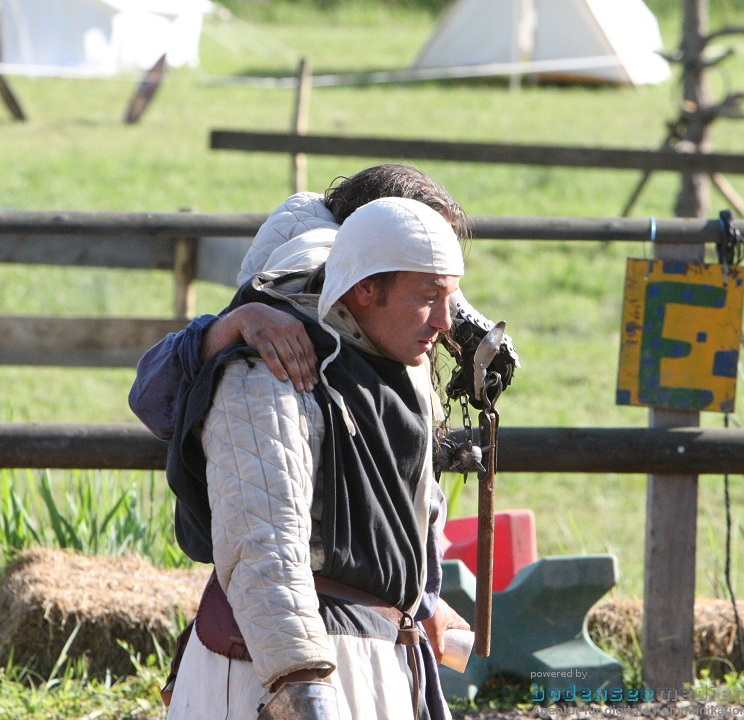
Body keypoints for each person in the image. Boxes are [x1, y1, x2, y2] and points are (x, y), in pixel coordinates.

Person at [165, 197, 472, 720]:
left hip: (374, 661)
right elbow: (263, 542)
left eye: (451, 298)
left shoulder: (395, 366)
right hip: (278, 669)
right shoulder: (269, 373)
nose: (446, 321)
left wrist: (418, 600)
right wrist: (301, 685)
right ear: (364, 289)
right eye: (429, 298)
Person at [128, 164, 515, 443]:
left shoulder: (391, 310)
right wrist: (234, 324)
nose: (444, 317)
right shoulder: (290, 304)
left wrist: (468, 328)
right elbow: (152, 399)